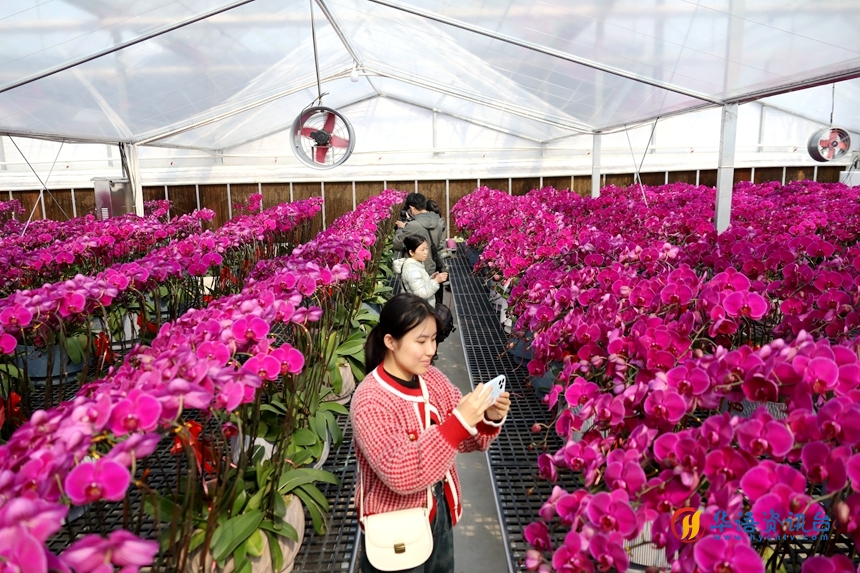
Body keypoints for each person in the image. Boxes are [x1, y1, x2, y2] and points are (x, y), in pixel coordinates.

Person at [352, 293, 510, 573]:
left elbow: (466, 440)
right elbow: (399, 472)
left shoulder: (432, 379)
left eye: (434, 339)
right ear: (390, 341)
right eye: (421, 341)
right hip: (396, 525)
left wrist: (488, 417)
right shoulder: (370, 399)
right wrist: (458, 423)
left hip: (439, 511)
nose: (431, 350)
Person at [393, 193, 444, 277]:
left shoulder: (412, 226)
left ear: (411, 208)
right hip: (432, 269)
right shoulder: (438, 223)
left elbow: (397, 244)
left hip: (414, 271)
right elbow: (440, 245)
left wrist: (401, 229)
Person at [393, 234, 447, 308]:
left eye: (427, 248)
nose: (426, 252)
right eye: (422, 250)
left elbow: (419, 284)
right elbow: (421, 294)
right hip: (419, 310)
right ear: (411, 252)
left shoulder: (416, 264)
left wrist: (431, 278)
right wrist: (436, 281)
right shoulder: (412, 270)